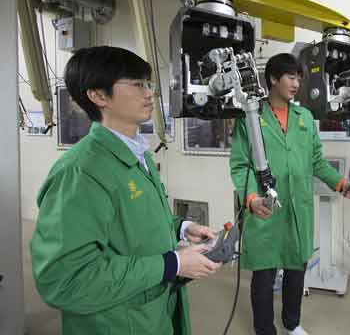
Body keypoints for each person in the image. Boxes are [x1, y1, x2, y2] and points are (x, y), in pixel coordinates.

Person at [30, 46, 221, 335]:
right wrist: (173, 263)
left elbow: (130, 222)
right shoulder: (81, 172)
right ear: (98, 95)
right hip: (116, 322)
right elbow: (66, 280)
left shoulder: (137, 153)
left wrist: (182, 228)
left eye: (148, 83)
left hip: (152, 314)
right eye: (136, 84)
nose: (149, 93)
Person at [229, 53, 350, 335]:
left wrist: (340, 183)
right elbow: (240, 166)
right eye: (291, 76)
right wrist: (251, 199)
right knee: (263, 276)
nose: (297, 82)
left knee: (296, 271)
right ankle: (264, 330)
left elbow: (317, 162)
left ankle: (292, 323)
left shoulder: (305, 117)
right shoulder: (250, 117)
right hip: (265, 206)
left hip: (298, 207)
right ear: (274, 79)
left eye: (299, 77)